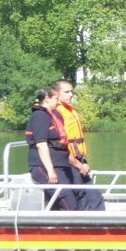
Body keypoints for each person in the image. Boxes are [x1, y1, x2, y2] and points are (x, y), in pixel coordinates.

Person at [53, 79, 106, 211]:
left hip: (79, 159)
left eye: (71, 91)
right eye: (67, 92)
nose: (71, 95)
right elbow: (61, 146)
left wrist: (83, 163)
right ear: (57, 94)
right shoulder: (57, 113)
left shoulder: (70, 110)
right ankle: (87, 225)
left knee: (94, 196)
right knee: (81, 195)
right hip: (70, 162)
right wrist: (78, 165)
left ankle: (101, 222)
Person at [25, 88, 79, 210]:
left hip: (59, 165)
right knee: (69, 203)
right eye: (55, 99)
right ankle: (73, 225)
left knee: (70, 197)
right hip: (44, 167)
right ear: (47, 99)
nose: (58, 102)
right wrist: (50, 171)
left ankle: (56, 226)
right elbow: (41, 144)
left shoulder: (51, 116)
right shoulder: (40, 116)